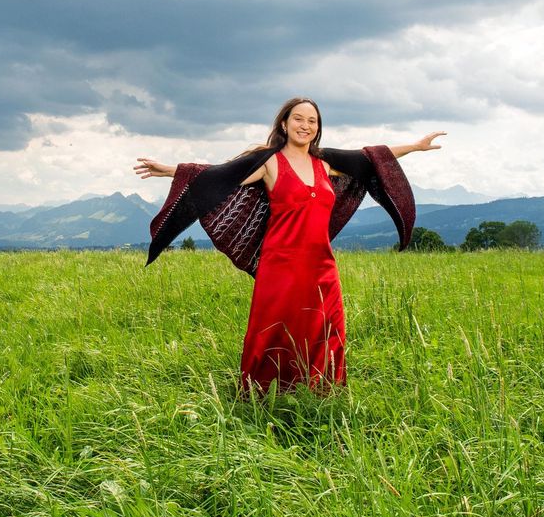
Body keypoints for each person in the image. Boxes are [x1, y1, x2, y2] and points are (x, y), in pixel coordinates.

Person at [135, 97, 444, 393]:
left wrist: (415, 147)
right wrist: (170, 170)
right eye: (298, 118)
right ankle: (263, 394)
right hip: (279, 267)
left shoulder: (326, 164)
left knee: (327, 331)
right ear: (284, 123)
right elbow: (218, 175)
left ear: (317, 128)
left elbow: (373, 157)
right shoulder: (268, 163)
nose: (305, 125)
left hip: (322, 267)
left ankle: (322, 393)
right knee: (273, 333)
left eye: (312, 120)